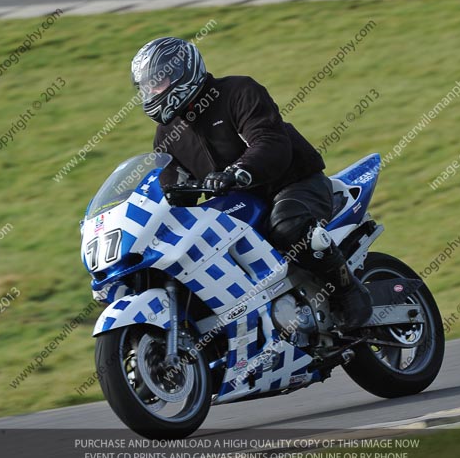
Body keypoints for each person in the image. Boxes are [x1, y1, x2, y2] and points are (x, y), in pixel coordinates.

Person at [130, 37, 372, 329]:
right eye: (148, 86)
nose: (153, 91)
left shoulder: (238, 91)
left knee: (288, 226)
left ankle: (349, 292)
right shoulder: (167, 133)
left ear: (184, 71)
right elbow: (171, 184)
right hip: (237, 204)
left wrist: (238, 171)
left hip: (293, 182)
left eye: (159, 82)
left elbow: (269, 141)